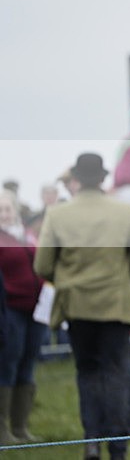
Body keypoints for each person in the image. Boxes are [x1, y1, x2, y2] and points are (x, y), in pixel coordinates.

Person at [33, 153, 130, 460]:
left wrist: (69, 279)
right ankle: (118, 448)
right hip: (116, 306)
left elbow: (43, 266)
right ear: (102, 178)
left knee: (87, 373)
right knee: (115, 373)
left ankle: (91, 441)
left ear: (76, 178)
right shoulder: (123, 212)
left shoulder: (57, 215)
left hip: (76, 307)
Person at [0, 190, 46, 445]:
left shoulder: (26, 235)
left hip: (35, 310)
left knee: (27, 364)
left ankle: (21, 427)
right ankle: (2, 429)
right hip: (10, 309)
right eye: (0, 210)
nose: (4, 214)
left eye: (7, 209)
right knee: (7, 364)